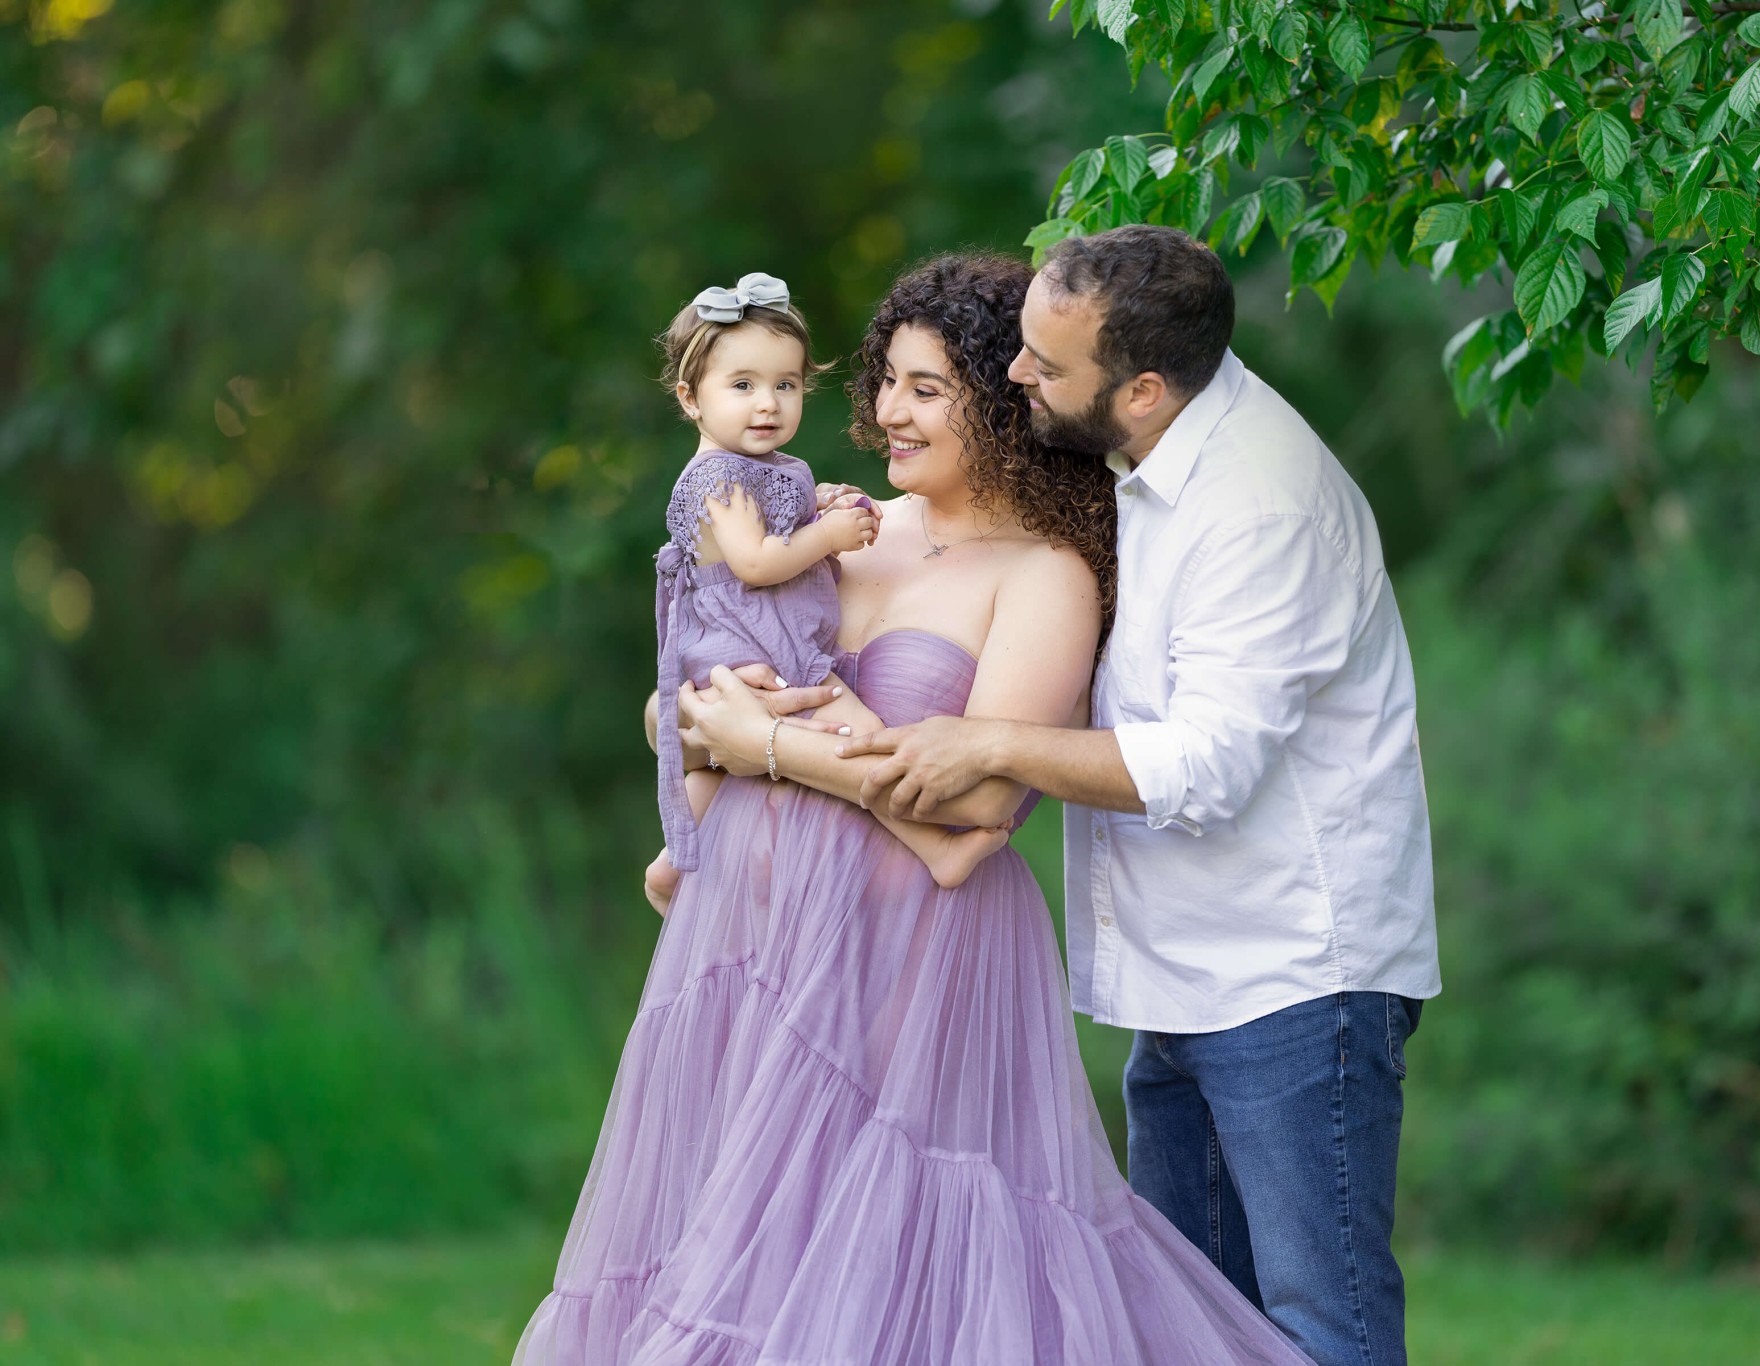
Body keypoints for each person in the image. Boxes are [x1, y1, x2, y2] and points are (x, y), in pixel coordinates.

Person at [515, 253, 1311, 1365]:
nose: (885, 409)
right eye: (885, 379)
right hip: (754, 950)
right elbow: (696, 677)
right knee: (737, 1250)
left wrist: (772, 746)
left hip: (915, 964)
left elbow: (970, 814)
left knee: (883, 1264)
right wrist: (683, 722)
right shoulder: (835, 529)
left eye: (926, 387)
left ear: (997, 397)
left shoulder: (1044, 575)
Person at [838, 225, 1441, 1366]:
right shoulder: (1143, 467)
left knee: (1321, 1323)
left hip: (1291, 978)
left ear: (1144, 389)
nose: (1016, 378)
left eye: (1044, 368)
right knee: (1185, 1326)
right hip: (1184, 976)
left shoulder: (1257, 504)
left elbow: (1202, 768)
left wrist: (991, 741)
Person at [644, 270, 1007, 890]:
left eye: (785, 384)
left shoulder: (760, 468)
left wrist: (819, 506)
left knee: (727, 766)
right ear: (690, 399)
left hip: (744, 641)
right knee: (861, 735)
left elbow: (778, 524)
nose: (768, 403)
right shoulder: (718, 478)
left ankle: (670, 867)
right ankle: (936, 851)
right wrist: (827, 537)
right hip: (753, 640)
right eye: (743, 385)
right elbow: (756, 563)